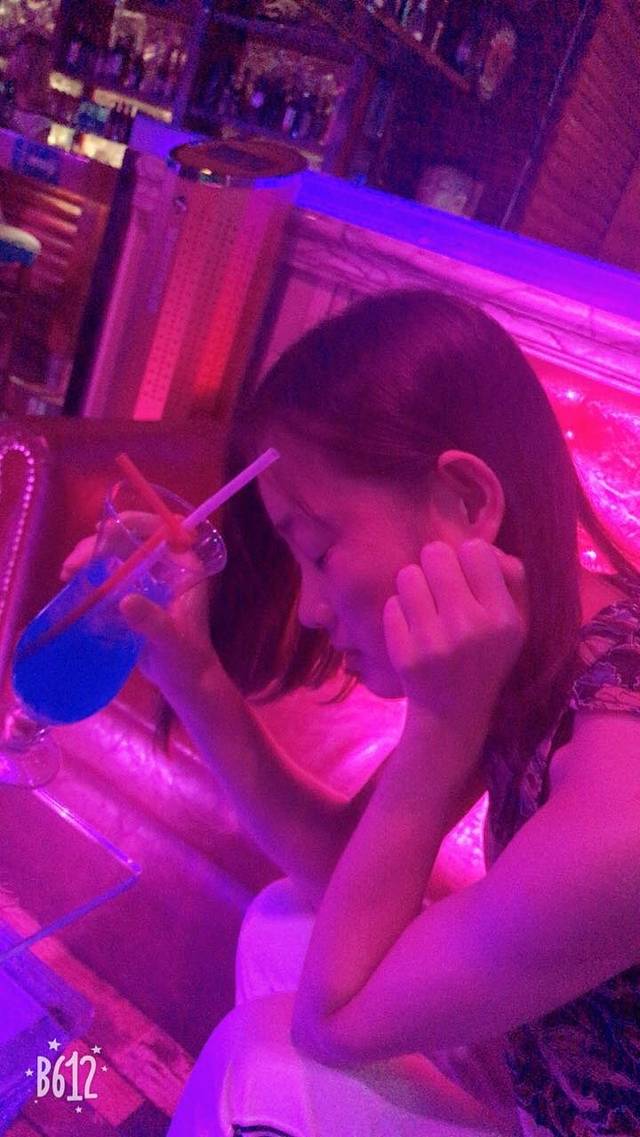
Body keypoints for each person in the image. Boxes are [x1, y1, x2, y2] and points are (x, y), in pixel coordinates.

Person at [63, 288, 640, 1136]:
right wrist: (191, 672)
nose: (308, 609)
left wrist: (442, 726)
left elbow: (332, 1018)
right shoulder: (551, 638)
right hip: (544, 1088)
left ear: (465, 502)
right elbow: (342, 869)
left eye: (321, 551)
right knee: (287, 925)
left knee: (262, 1062)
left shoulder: (622, 789)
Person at [2, 32, 53, 144]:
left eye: (20, 56)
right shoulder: (5, 95)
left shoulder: (40, 120)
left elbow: (31, 153)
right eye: (15, 55)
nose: (13, 60)